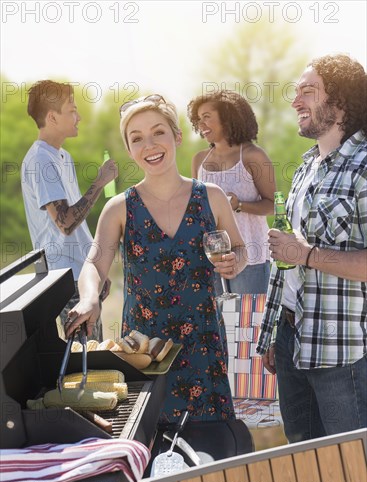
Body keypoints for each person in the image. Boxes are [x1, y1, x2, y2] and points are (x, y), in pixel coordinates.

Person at [65, 94, 247, 423]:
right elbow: (94, 263)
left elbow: (240, 248)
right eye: (136, 139)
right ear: (129, 149)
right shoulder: (120, 207)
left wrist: (236, 261)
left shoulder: (212, 197)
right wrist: (90, 299)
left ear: (177, 137)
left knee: (212, 444)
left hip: (203, 344)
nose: (149, 144)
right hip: (144, 351)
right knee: (152, 447)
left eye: (158, 132)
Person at [256, 54, 367, 442]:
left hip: (342, 352)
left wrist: (306, 254)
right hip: (290, 339)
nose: (296, 101)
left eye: (308, 92)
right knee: (304, 463)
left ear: (340, 103)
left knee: (353, 469)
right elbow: (287, 257)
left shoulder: (364, 166)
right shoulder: (307, 166)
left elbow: (300, 253)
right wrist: (273, 333)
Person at [21, 80, 118, 341]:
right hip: (65, 280)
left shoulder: (60, 156)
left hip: (81, 274)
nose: (79, 117)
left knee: (94, 355)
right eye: (72, 110)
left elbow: (76, 223)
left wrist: (96, 268)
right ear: (52, 116)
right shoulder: (41, 160)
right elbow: (65, 223)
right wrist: (100, 183)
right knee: (82, 363)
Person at [187, 90, 275, 295]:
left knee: (249, 325)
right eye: (198, 120)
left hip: (251, 257)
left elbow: (272, 205)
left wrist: (240, 205)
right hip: (211, 260)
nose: (201, 125)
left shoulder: (254, 156)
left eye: (207, 117)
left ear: (227, 117)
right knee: (217, 325)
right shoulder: (199, 159)